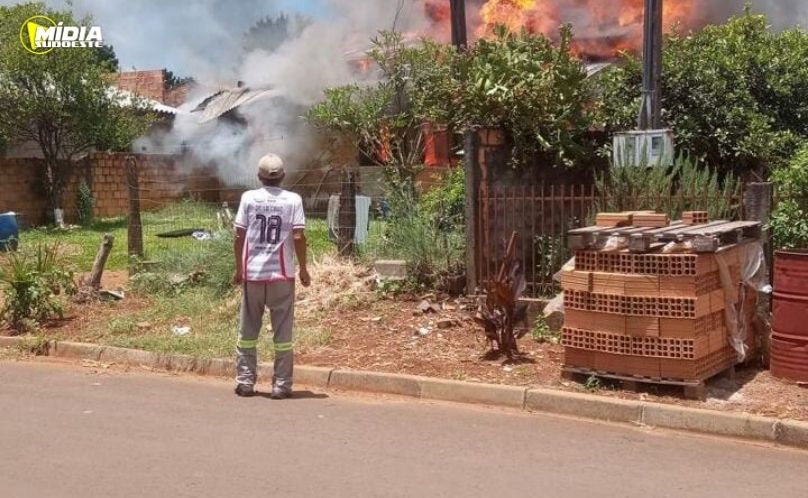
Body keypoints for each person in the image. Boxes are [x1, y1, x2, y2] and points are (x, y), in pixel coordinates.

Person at [232, 153, 311, 399]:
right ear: (283, 176)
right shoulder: (293, 200)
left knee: (248, 331)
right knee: (283, 334)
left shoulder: (248, 198)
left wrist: (239, 268)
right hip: (282, 276)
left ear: (259, 177)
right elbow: (298, 237)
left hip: (253, 274)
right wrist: (304, 269)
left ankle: (245, 382)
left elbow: (238, 236)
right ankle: (282, 385)